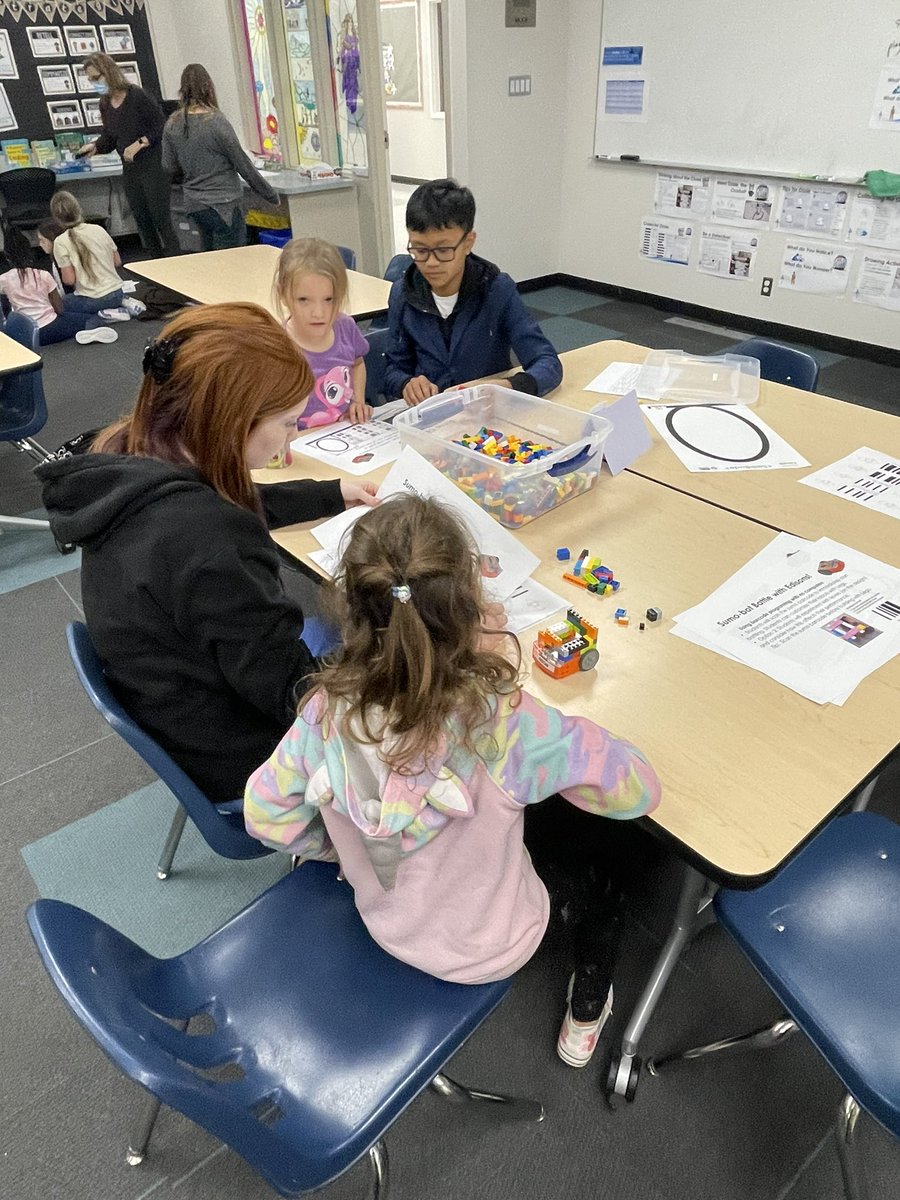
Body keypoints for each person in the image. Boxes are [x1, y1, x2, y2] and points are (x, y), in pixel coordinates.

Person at [244, 494, 661, 1066]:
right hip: (494, 946)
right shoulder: (503, 725)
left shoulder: (321, 715)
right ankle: (587, 1010)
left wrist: (349, 848)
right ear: (470, 612)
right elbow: (635, 788)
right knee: (613, 857)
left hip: (385, 923)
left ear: (354, 614)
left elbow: (265, 816)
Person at [37, 303, 377, 803]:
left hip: (181, 709)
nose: (294, 433)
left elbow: (218, 498)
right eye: (285, 423)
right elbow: (294, 692)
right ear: (232, 422)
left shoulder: (128, 452)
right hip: (240, 754)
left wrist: (328, 494)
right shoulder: (209, 540)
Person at [383, 178, 563, 405]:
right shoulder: (404, 293)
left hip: (488, 414)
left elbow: (547, 362)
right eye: (419, 249)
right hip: (431, 417)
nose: (430, 262)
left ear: (468, 242)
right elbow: (392, 369)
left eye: (443, 250)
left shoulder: (496, 289)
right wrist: (406, 384)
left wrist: (510, 386)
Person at [162, 63, 280, 252]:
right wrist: (270, 195)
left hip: (195, 204)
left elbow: (168, 166)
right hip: (223, 205)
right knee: (232, 262)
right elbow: (243, 164)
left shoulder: (172, 124)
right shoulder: (216, 122)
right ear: (208, 86)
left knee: (210, 261)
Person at [76, 53, 179, 258]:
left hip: (153, 164)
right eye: (90, 79)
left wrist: (140, 144)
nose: (94, 83)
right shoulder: (105, 104)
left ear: (109, 73)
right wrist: (95, 147)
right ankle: (155, 267)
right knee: (142, 219)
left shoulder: (137, 96)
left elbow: (162, 126)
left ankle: (177, 264)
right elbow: (110, 136)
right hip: (130, 168)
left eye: (96, 78)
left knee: (160, 218)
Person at [275, 237, 371, 427]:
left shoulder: (345, 327)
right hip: (299, 444)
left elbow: (358, 363)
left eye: (329, 299)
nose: (318, 313)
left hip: (344, 435)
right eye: (304, 300)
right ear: (283, 295)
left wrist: (358, 401)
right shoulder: (279, 345)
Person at [49, 190, 126, 344]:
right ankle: (115, 310)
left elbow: (69, 280)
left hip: (92, 299)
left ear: (56, 218)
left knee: (59, 305)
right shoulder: (99, 229)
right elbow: (117, 261)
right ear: (78, 210)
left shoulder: (60, 242)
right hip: (117, 293)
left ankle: (94, 321)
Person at [0, 222, 90, 345]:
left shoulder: (4, 280)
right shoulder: (43, 275)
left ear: (7, 257)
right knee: (90, 319)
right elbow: (59, 308)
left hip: (26, 333)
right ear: (29, 251)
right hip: (49, 328)